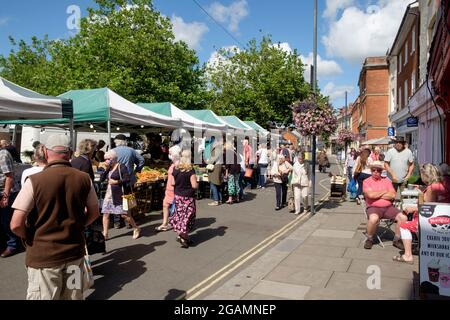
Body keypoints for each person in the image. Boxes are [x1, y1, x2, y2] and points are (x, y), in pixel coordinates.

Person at [10, 134, 99, 299]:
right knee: (72, 296)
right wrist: (79, 226)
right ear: (70, 153)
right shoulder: (84, 179)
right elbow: (94, 212)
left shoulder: (35, 180)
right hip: (74, 255)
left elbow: (15, 224)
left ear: (45, 151)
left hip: (44, 259)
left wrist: (30, 237)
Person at [393, 163, 449, 264]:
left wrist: (412, 208)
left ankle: (408, 256)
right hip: (444, 218)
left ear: (425, 175)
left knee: (404, 226)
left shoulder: (432, 188)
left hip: (430, 221)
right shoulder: (442, 184)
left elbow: (428, 208)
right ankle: (421, 248)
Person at [362, 161, 408, 250]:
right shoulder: (366, 181)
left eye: (378, 170)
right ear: (371, 170)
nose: (376, 172)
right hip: (373, 207)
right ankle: (370, 238)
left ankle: (396, 240)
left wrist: (377, 194)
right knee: (373, 219)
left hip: (388, 207)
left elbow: (393, 195)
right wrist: (384, 192)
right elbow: (370, 196)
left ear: (381, 171)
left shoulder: (386, 181)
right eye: (373, 170)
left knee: (403, 217)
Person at [101, 150, 140, 240]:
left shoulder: (121, 167)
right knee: (106, 213)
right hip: (109, 194)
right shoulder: (109, 168)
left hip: (119, 194)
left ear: (114, 159)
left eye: (108, 159)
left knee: (124, 215)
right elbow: (102, 179)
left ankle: (136, 228)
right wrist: (106, 169)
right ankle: (105, 234)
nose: (106, 160)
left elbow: (127, 179)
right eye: (105, 159)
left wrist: (116, 181)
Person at [113, 134, 144, 229]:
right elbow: (142, 160)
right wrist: (136, 170)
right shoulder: (131, 150)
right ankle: (128, 222)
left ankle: (117, 222)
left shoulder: (113, 151)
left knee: (117, 200)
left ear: (116, 142)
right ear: (125, 141)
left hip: (115, 179)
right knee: (128, 200)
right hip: (128, 179)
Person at [169, 150, 198, 248]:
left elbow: (172, 183)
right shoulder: (190, 170)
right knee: (187, 216)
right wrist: (197, 183)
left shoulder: (175, 169)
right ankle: (183, 236)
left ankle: (185, 236)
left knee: (180, 216)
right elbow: (194, 185)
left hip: (178, 196)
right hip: (188, 197)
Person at [0, 146, 20, 258]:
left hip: (7, 192)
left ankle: (12, 245)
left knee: (6, 220)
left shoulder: (2, 154)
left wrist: (5, 196)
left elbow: (9, 177)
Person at [156, 145, 181, 232]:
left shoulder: (178, 165)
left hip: (175, 189)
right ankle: (165, 223)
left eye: (170, 153)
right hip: (169, 189)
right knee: (165, 205)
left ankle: (178, 224)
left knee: (176, 208)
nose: (169, 155)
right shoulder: (173, 164)